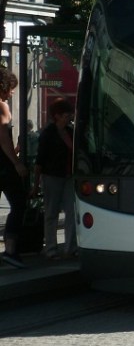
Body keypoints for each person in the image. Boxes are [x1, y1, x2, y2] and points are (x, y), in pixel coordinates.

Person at [33, 98, 76, 258]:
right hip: (52, 176)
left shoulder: (71, 131)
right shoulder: (48, 133)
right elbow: (40, 160)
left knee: (71, 212)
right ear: (57, 116)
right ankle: (50, 248)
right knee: (51, 212)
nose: (69, 117)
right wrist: (36, 184)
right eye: (66, 114)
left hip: (68, 176)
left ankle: (70, 247)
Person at [0, 68, 29, 268]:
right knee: (19, 203)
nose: (11, 93)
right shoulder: (2, 107)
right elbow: (3, 139)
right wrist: (16, 162)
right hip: (3, 166)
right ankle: (10, 250)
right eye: (11, 89)